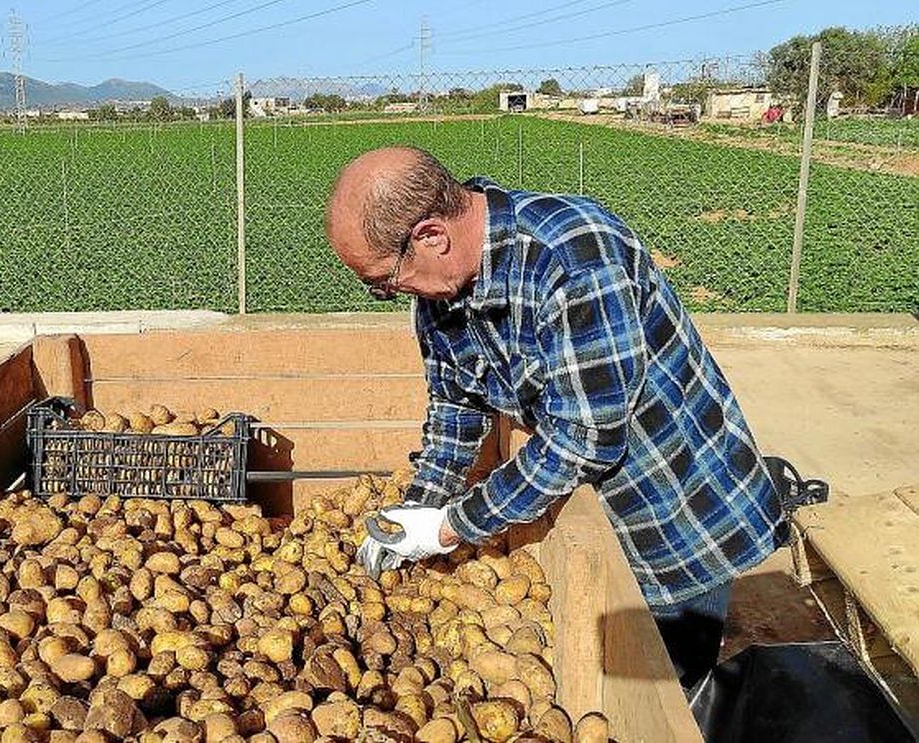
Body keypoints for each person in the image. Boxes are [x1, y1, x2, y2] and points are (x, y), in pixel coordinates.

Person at [324, 145, 783, 691]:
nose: (388, 292)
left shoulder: (573, 258)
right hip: (591, 507)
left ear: (431, 236)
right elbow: (455, 403)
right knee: (617, 672)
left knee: (662, 688)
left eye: (383, 280)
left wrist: (450, 527)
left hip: (679, 509)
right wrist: (417, 508)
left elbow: (582, 439)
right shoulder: (441, 289)